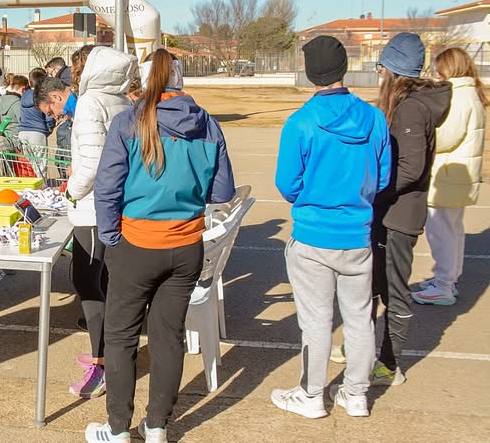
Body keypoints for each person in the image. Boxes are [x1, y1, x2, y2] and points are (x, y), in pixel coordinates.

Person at [86, 49, 235, 443]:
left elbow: (107, 189)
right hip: (186, 246)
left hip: (136, 243)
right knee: (168, 338)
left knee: (121, 337)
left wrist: (110, 239)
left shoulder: (128, 121)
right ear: (181, 81)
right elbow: (223, 191)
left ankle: (118, 428)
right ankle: (157, 426)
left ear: (145, 81)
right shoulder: (208, 124)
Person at [270, 36, 391, 420]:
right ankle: (356, 394)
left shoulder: (301, 122)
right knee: (359, 317)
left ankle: (311, 394)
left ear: (310, 73)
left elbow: (287, 183)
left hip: (313, 236)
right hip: (357, 234)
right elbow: (382, 177)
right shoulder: (374, 118)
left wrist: (315, 195)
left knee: (316, 322)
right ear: (344, 68)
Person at [35, 47, 135, 401]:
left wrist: (72, 191)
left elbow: (92, 164)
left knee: (88, 282)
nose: (71, 77)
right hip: (112, 205)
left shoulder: (91, 103)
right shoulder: (117, 98)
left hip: (94, 209)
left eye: (74, 70)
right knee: (102, 282)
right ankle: (107, 354)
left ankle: (102, 365)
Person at [370, 33, 450, 386]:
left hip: (398, 216)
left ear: (394, 71)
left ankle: (390, 363)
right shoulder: (407, 105)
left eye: (381, 67)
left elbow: (410, 169)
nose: (379, 73)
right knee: (375, 282)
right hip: (389, 212)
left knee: (394, 289)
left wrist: (374, 190)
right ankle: (365, 345)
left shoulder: (411, 109)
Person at [412, 47, 488, 305]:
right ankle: (447, 280)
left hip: (447, 175)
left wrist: (424, 128)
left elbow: (446, 137)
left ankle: (443, 284)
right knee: (453, 230)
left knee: (441, 231)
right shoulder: (470, 92)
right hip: (457, 176)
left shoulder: (458, 95)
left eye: (439, 68)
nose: (436, 73)